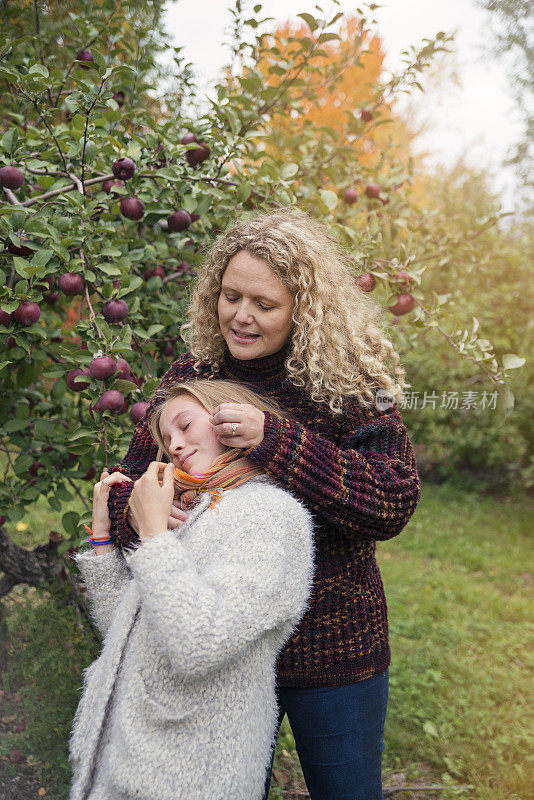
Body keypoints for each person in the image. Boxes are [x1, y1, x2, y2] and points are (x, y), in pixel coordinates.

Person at [107, 208, 422, 800]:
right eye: (230, 297)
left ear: (304, 307)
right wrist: (137, 512)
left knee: (346, 792)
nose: (241, 317)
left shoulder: (351, 383)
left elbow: (392, 500)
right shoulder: (194, 372)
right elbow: (129, 479)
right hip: (219, 646)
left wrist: (278, 441)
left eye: (264, 304)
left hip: (330, 649)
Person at [68, 379, 315, 800]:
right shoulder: (200, 512)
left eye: (185, 425)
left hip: (186, 777)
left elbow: (200, 641)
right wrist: (104, 542)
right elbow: (128, 638)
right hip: (124, 765)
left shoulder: (270, 517)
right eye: (167, 440)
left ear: (231, 420)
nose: (175, 445)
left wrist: (151, 534)